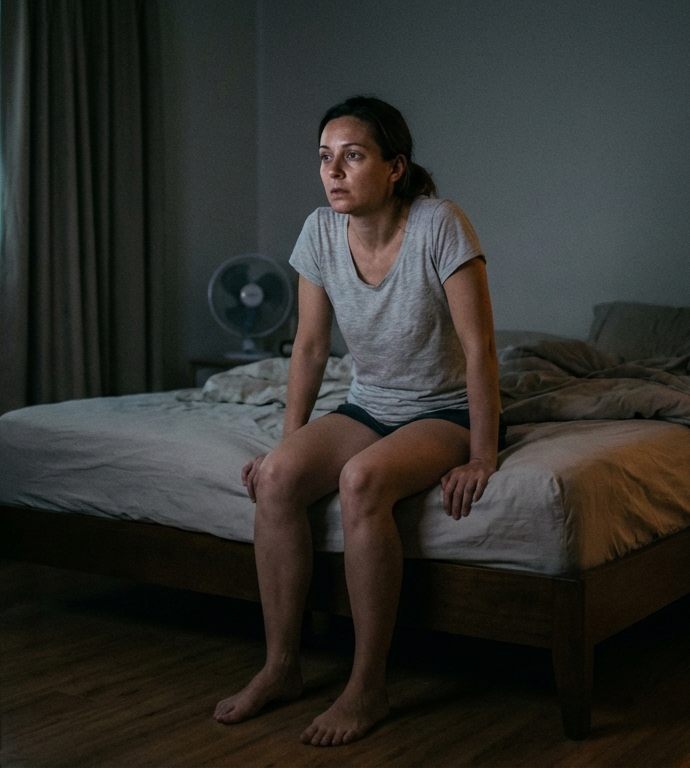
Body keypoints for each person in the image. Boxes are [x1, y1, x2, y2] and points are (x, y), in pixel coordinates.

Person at [212, 96, 502, 746]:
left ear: (395, 166)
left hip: (442, 410)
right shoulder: (319, 231)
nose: (334, 171)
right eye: (325, 158)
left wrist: (482, 455)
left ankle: (368, 685)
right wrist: (289, 444)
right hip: (367, 403)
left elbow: (481, 348)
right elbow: (311, 348)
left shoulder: (439, 224)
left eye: (353, 156)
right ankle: (281, 666)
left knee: (362, 481)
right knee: (281, 477)